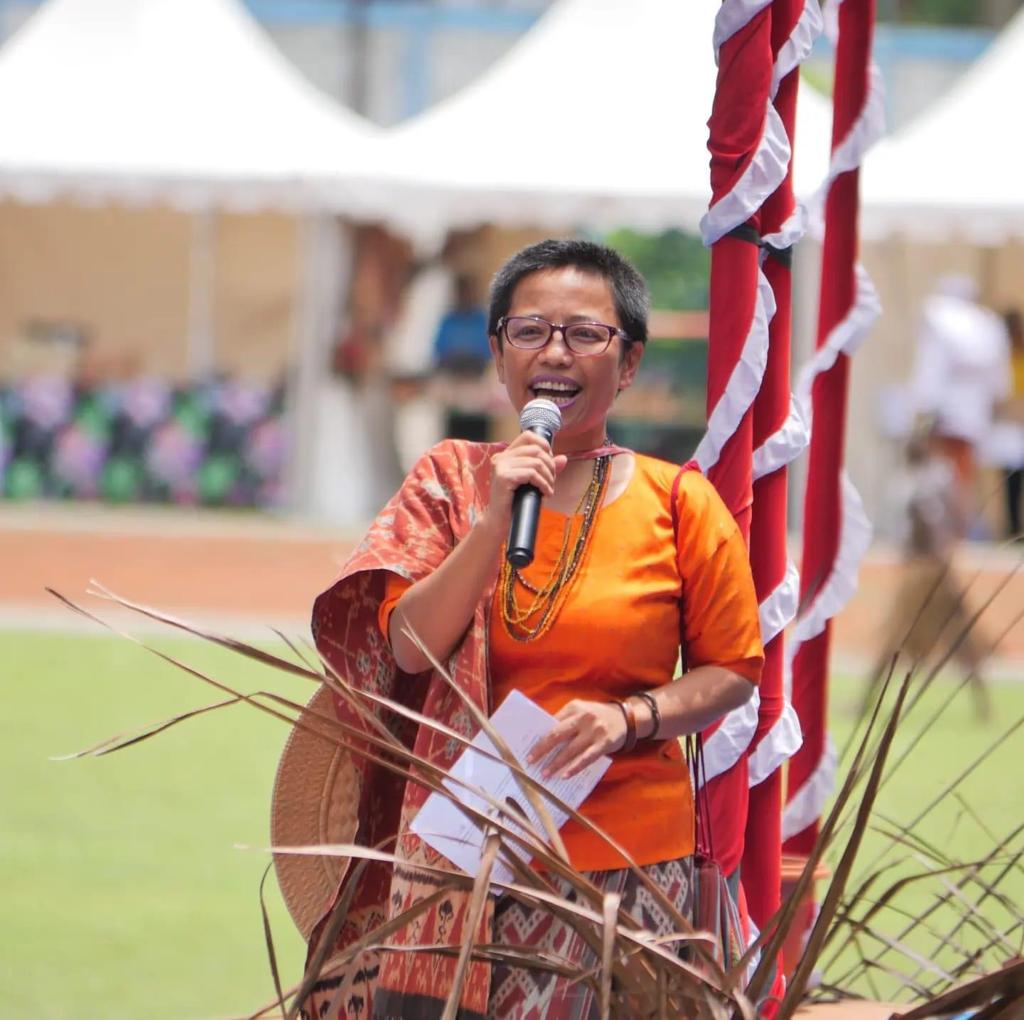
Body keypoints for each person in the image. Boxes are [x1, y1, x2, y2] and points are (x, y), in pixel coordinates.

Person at [302, 239, 764, 1018]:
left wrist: (629, 717)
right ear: (497, 353)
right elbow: (409, 648)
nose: (556, 350)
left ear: (630, 364)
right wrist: (492, 521)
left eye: (586, 333)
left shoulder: (679, 502)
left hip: (628, 877)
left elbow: (734, 672)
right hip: (461, 866)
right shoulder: (448, 481)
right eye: (530, 331)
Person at [862, 425, 991, 722]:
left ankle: (984, 704)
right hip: (918, 567)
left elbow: (952, 519)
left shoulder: (935, 480)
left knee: (958, 637)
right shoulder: (905, 482)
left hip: (931, 568)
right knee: (894, 637)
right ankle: (866, 700)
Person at [909, 274, 1010, 538]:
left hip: (944, 413)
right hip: (974, 414)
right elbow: (999, 380)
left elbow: (930, 371)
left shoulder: (940, 322)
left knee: (939, 473)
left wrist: (923, 406)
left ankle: (944, 528)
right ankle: (959, 528)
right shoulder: (987, 327)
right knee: (963, 475)